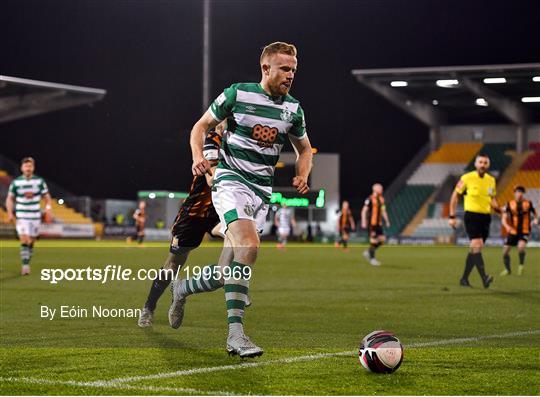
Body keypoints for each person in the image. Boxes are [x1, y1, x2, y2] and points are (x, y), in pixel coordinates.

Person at [170, 41, 313, 358]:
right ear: (266, 68)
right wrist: (197, 156)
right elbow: (201, 126)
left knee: (225, 274)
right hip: (231, 181)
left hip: (262, 193)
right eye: (284, 68)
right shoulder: (237, 93)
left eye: (294, 69)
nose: (290, 75)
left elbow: (304, 150)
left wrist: (303, 174)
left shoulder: (293, 109)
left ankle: (181, 289)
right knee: (249, 246)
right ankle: (236, 336)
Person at [137, 127, 225, 327]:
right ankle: (149, 307)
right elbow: (212, 180)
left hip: (217, 212)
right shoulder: (214, 139)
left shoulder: (242, 142)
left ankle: (237, 287)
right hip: (194, 213)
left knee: (239, 239)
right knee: (173, 266)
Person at [449, 153, 501, 288]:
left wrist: (499, 209)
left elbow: (492, 198)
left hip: (486, 217)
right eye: (480, 162)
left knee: (475, 249)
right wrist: (452, 216)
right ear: (476, 164)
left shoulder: (491, 180)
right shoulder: (467, 178)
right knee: (477, 245)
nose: (483, 165)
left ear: (488, 165)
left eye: (485, 163)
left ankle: (464, 279)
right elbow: (455, 196)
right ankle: (485, 278)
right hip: (472, 216)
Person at [5, 157, 53, 275]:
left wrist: (48, 210)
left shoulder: (39, 182)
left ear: (33, 168)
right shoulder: (16, 182)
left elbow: (47, 198)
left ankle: (27, 259)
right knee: (24, 239)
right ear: (22, 168)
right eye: (26, 166)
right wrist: (10, 213)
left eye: (30, 166)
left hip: (35, 216)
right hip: (21, 215)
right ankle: (25, 266)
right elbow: (10, 199)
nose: (28, 168)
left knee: (31, 241)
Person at [500, 186, 537, 276]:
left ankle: (521, 266)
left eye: (521, 192)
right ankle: (507, 270)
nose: (519, 194)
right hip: (513, 231)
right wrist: (506, 226)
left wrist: (535, 220)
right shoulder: (509, 204)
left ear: (523, 194)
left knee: (520, 247)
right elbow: (504, 218)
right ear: (514, 193)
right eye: (517, 192)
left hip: (524, 230)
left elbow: (536, 213)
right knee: (505, 252)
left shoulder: (528, 203)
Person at [361, 184, 390, 266]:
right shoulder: (369, 199)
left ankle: (368, 252)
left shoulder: (381, 199)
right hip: (372, 224)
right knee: (374, 241)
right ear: (375, 189)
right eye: (380, 188)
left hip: (379, 224)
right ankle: (372, 259)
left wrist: (387, 221)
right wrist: (363, 221)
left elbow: (383, 211)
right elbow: (364, 211)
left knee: (382, 240)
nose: (382, 189)